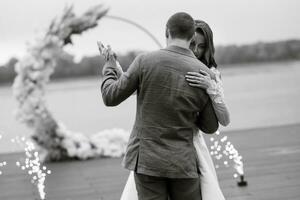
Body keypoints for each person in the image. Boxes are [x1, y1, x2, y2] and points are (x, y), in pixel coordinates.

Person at [101, 12, 219, 200]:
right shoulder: (205, 74)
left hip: (147, 161)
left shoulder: (144, 61)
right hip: (183, 163)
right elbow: (211, 126)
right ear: (191, 37)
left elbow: (110, 96)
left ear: (166, 32)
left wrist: (109, 66)